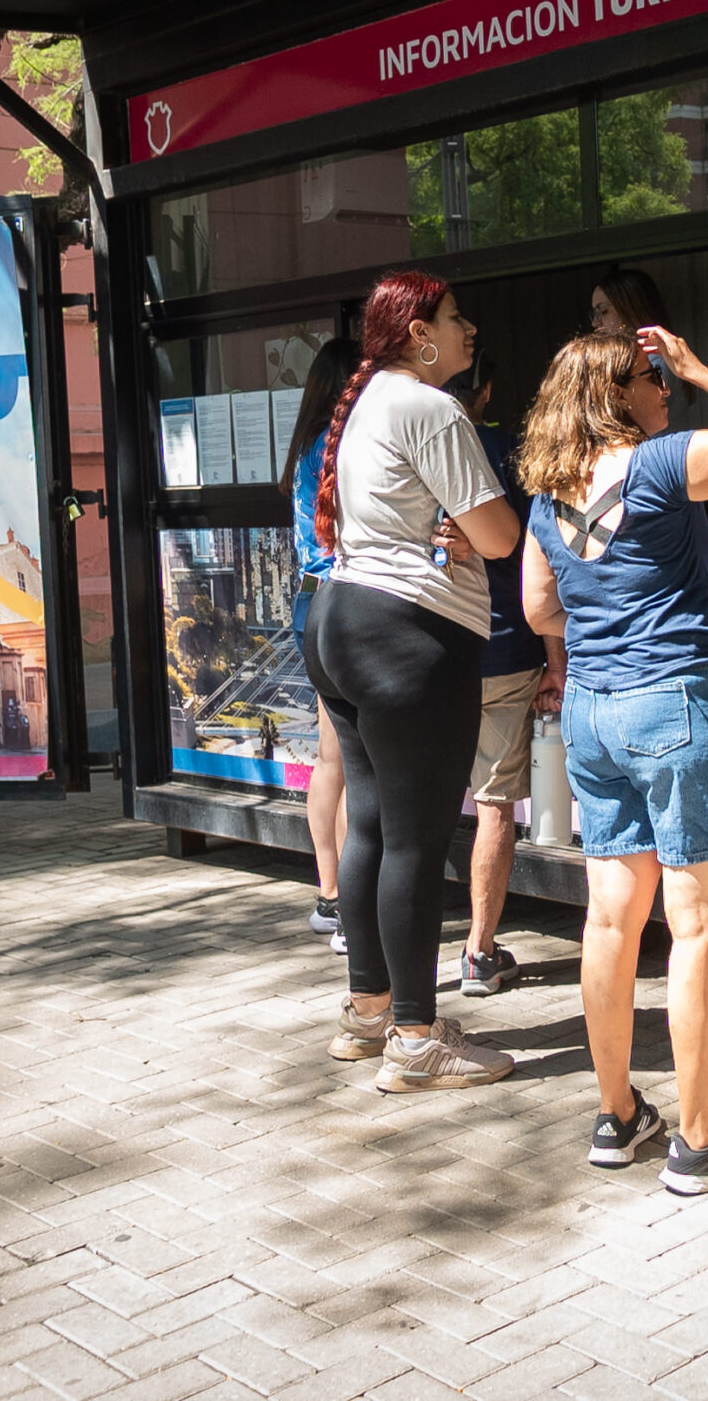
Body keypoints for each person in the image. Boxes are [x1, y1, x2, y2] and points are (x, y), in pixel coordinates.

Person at [520, 326, 708, 1192]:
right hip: (676, 701)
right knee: (697, 928)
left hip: (593, 711)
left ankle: (617, 1115)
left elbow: (540, 605)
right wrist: (701, 363)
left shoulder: (546, 492)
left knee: (609, 920)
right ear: (619, 395)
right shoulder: (655, 465)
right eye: (654, 381)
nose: (666, 393)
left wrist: (605, 620)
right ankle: (697, 1139)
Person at [315, 271, 522, 1092]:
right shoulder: (432, 407)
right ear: (417, 333)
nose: (469, 329)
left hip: (340, 619)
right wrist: (468, 533)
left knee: (370, 825)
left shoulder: (366, 402)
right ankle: (414, 1036)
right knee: (417, 839)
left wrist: (452, 531)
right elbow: (501, 534)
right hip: (408, 635)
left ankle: (370, 1011)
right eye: (455, 317)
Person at [445, 350, 566, 998]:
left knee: (421, 808)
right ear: (488, 390)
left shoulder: (418, 451)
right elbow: (540, 555)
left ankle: (388, 965)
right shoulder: (515, 452)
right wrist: (557, 662)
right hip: (505, 651)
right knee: (495, 807)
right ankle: (478, 952)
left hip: (431, 656)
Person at [283, 336, 363, 949]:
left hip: (310, 601)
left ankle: (329, 893)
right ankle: (347, 908)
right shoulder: (342, 449)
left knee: (330, 758)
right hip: (347, 601)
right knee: (354, 761)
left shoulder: (304, 448)